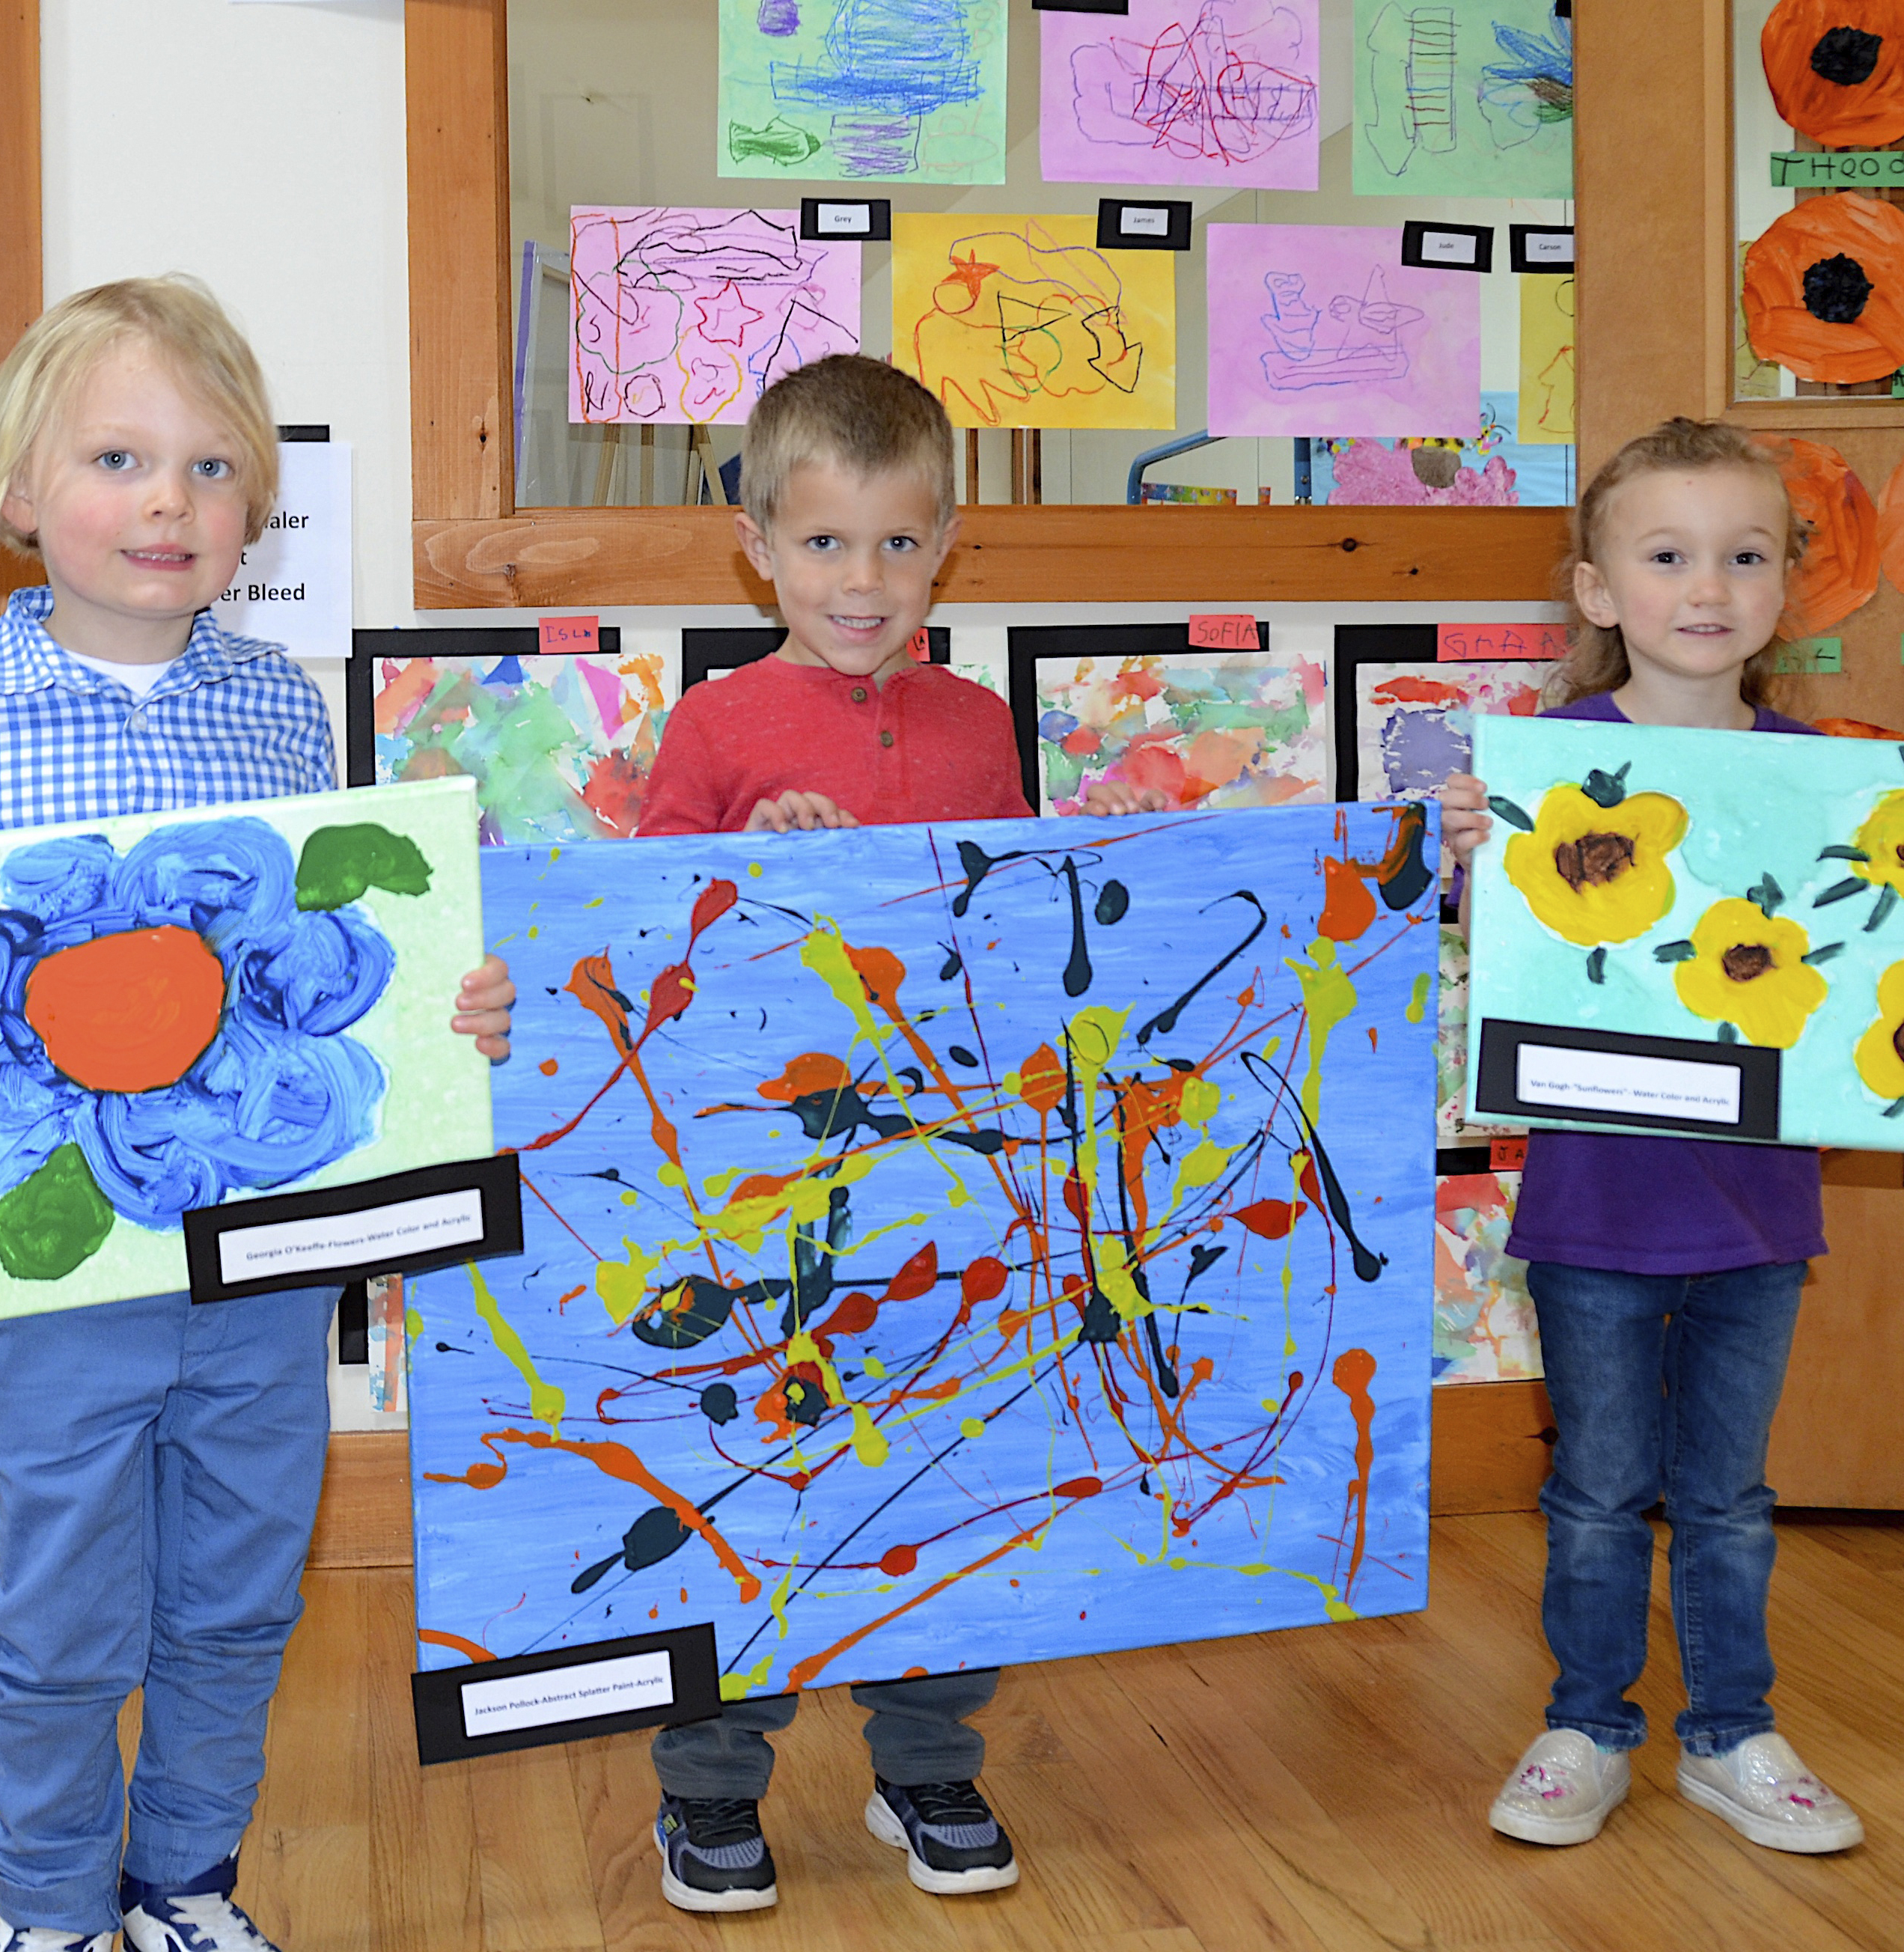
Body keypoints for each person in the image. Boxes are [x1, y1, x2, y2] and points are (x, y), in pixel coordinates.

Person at [0, 276, 516, 1952]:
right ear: (24, 496)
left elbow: (339, 960)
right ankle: (48, 1903)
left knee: (241, 1594)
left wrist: (447, 1007)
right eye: (116, 456)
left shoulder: (274, 703)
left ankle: (181, 1880)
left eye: (209, 466)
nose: (165, 501)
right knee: (58, 1612)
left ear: (256, 504)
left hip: (264, 1257)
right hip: (54, 1283)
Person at [1439, 416, 1904, 1856]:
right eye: (1666, 556)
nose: (1705, 586)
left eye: (1743, 555)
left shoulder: (1839, 784)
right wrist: (1475, 860)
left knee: (1726, 1497)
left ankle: (1733, 1732)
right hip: (1595, 1211)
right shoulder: (1542, 772)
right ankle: (1586, 1726)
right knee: (1597, 1492)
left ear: (1788, 587)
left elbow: (1903, 953)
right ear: (1598, 590)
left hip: (1757, 1215)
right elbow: (1525, 972)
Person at [632, 353, 1160, 1912]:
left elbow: (1011, 936)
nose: (860, 581)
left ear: (948, 544)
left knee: (949, 1455)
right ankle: (712, 1786)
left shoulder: (982, 726)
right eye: (823, 543)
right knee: (757, 1462)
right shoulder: (715, 726)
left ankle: (927, 1758)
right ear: (757, 543)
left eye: (897, 543)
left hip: (951, 1176)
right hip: (764, 1188)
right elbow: (648, 945)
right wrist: (737, 852)